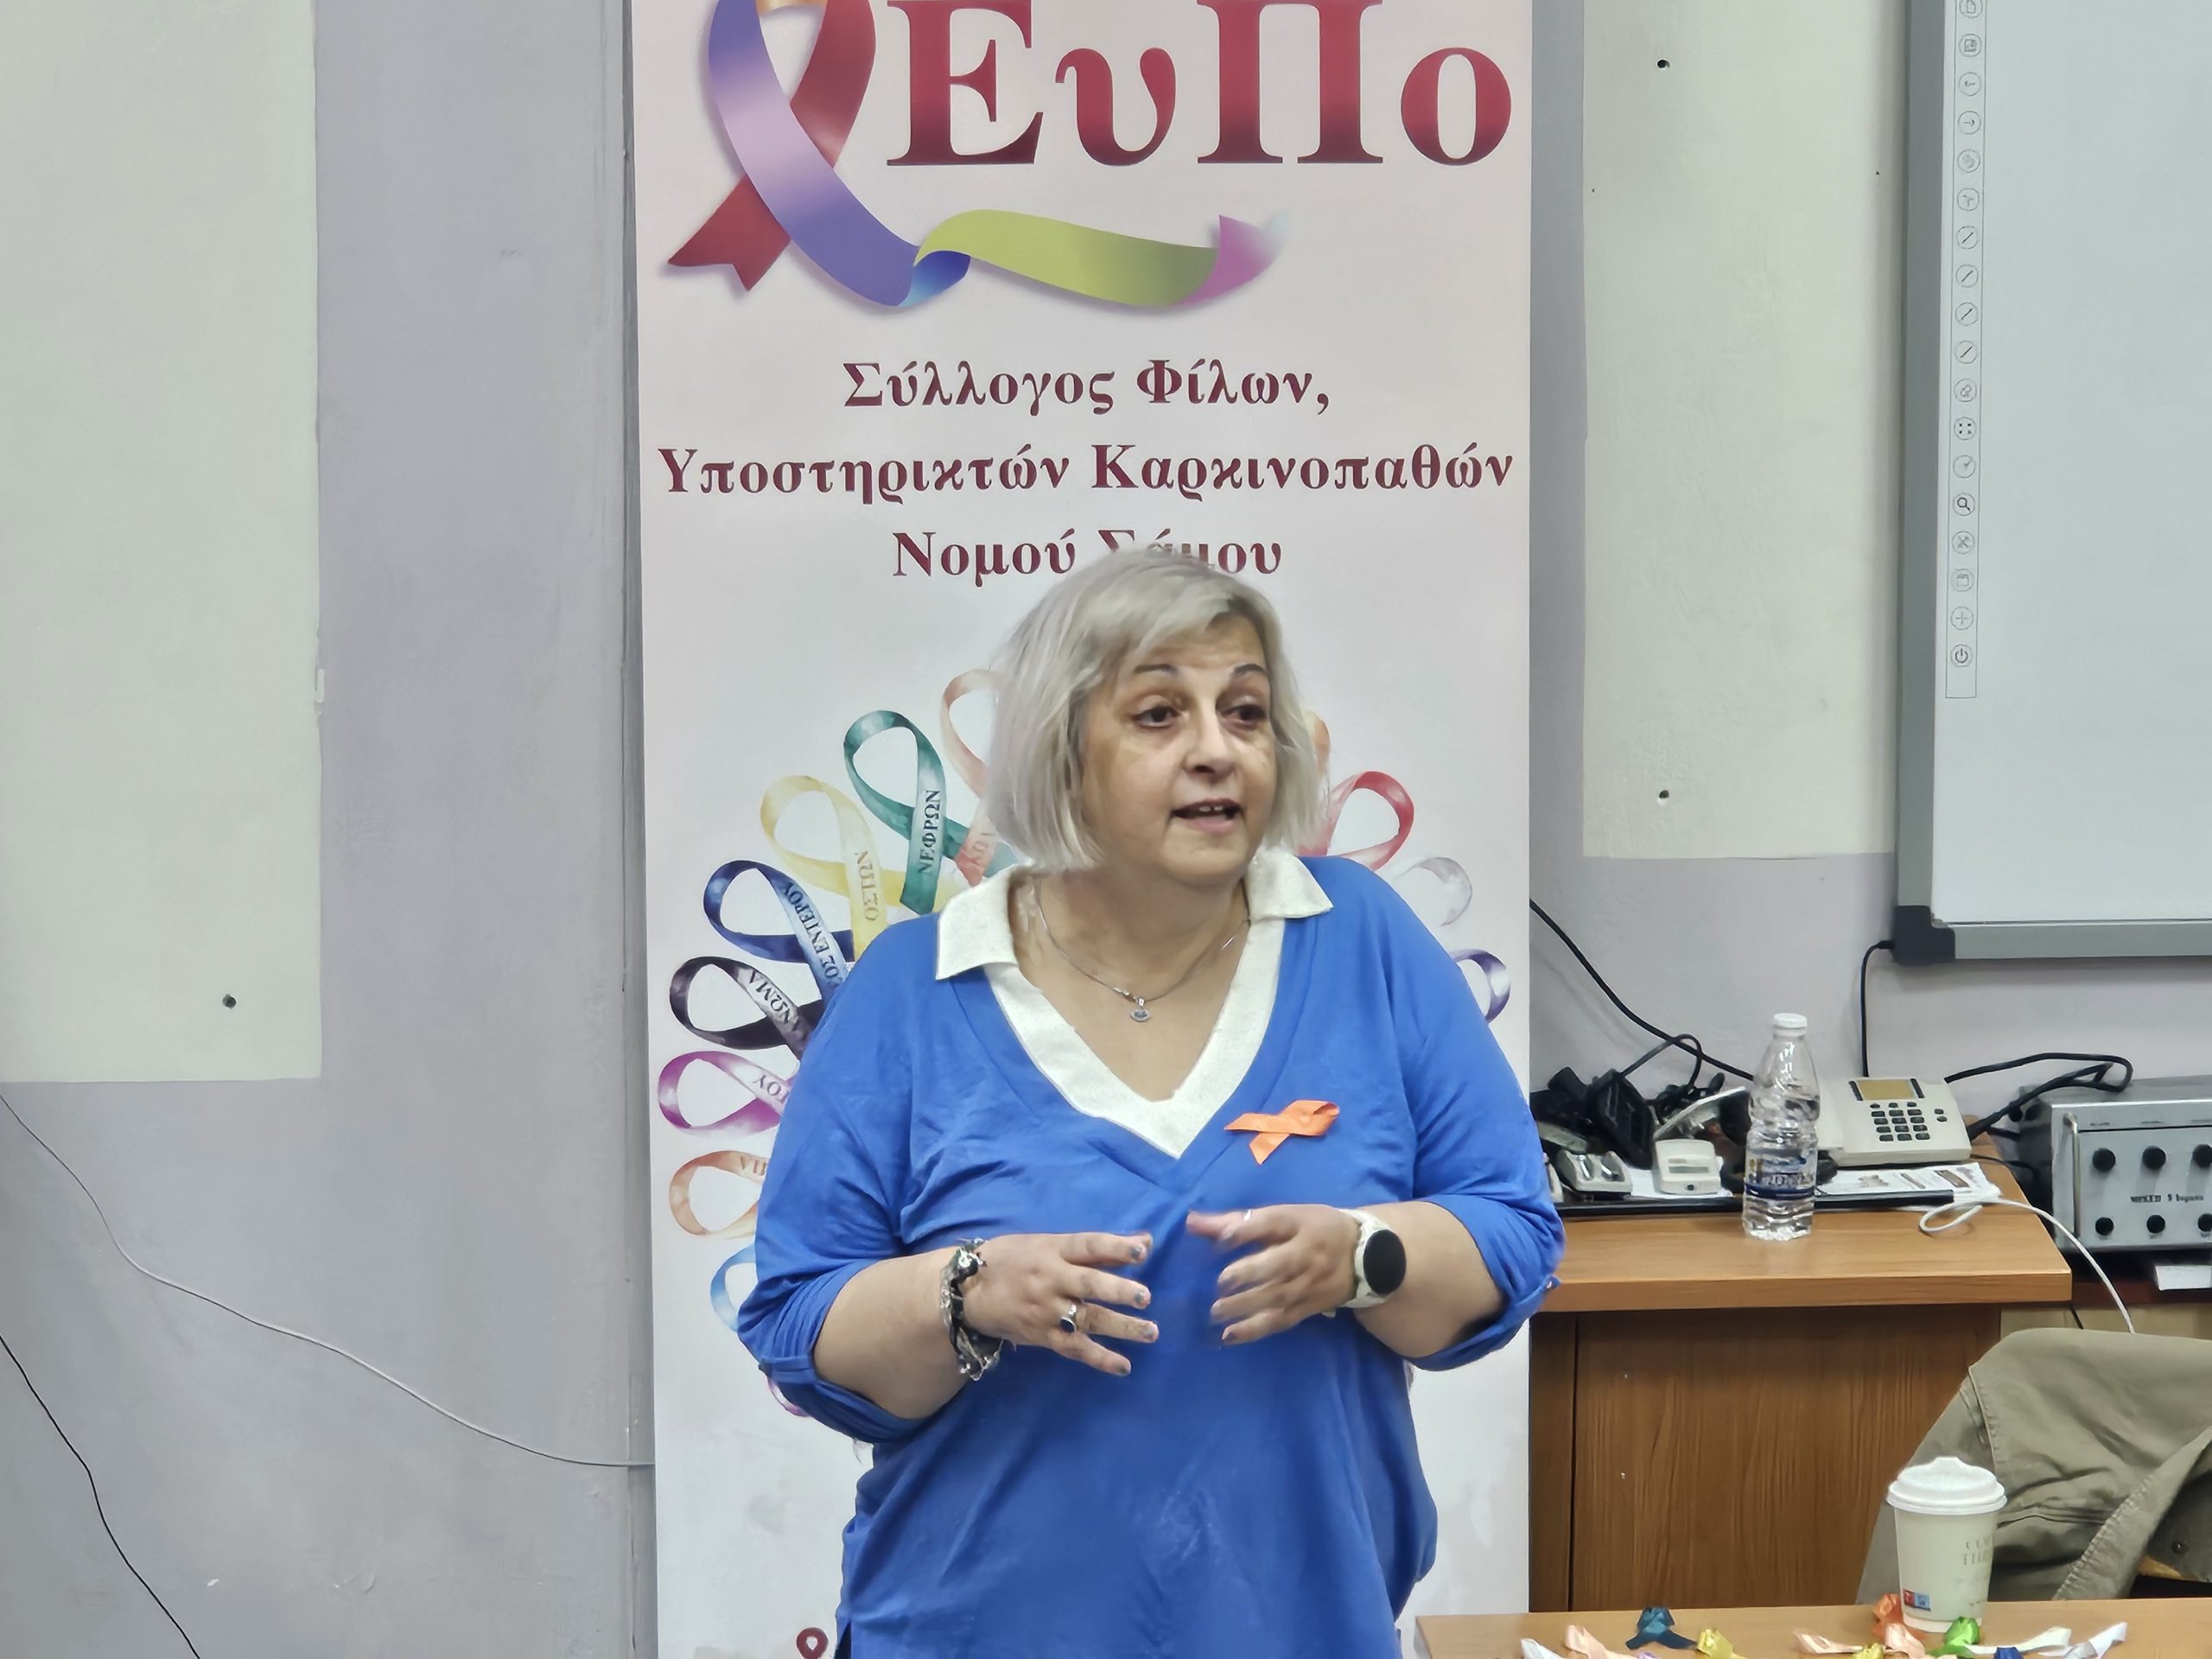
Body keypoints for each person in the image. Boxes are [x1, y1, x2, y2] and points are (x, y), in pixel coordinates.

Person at [739, 547, 1562, 1658]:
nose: (1218, 749)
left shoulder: (1361, 939)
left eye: (1246, 711)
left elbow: (1511, 1237)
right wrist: (967, 1292)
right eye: (1160, 714)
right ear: (1060, 749)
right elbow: (802, 1327)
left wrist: (1365, 1256)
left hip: (1303, 1629)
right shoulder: (913, 989)